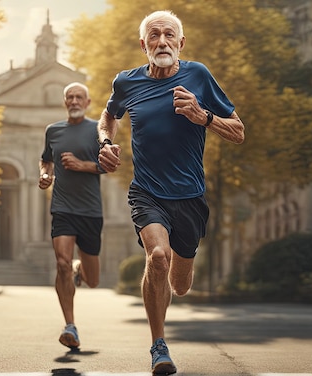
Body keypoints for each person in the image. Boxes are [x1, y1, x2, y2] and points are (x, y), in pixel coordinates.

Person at [96, 10, 245, 375]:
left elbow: (239, 131)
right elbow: (108, 115)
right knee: (158, 257)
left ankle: (176, 278)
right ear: (143, 44)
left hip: (190, 196)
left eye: (169, 36)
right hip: (146, 191)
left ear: (181, 43)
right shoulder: (126, 82)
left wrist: (203, 116)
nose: (161, 42)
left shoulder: (198, 76)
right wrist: (104, 142)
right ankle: (159, 346)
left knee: (180, 284)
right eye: (154, 36)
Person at [39, 82, 105, 350]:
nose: (74, 101)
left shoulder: (97, 130)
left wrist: (82, 165)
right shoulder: (52, 131)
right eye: (70, 97)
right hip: (63, 208)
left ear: (88, 102)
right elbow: (46, 159)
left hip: (90, 211)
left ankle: (81, 269)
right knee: (62, 263)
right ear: (65, 102)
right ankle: (70, 326)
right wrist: (45, 174)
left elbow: (109, 164)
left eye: (79, 97)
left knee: (93, 281)